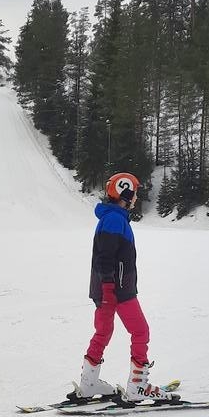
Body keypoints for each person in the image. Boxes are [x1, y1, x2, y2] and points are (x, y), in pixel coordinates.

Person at [76, 172, 171, 403]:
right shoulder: (115, 219)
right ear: (124, 193)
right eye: (135, 193)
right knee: (141, 331)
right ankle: (138, 386)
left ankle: (89, 383)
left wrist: (106, 288)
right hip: (117, 290)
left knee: (103, 332)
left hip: (107, 289)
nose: (136, 197)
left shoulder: (112, 217)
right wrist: (110, 289)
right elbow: (104, 258)